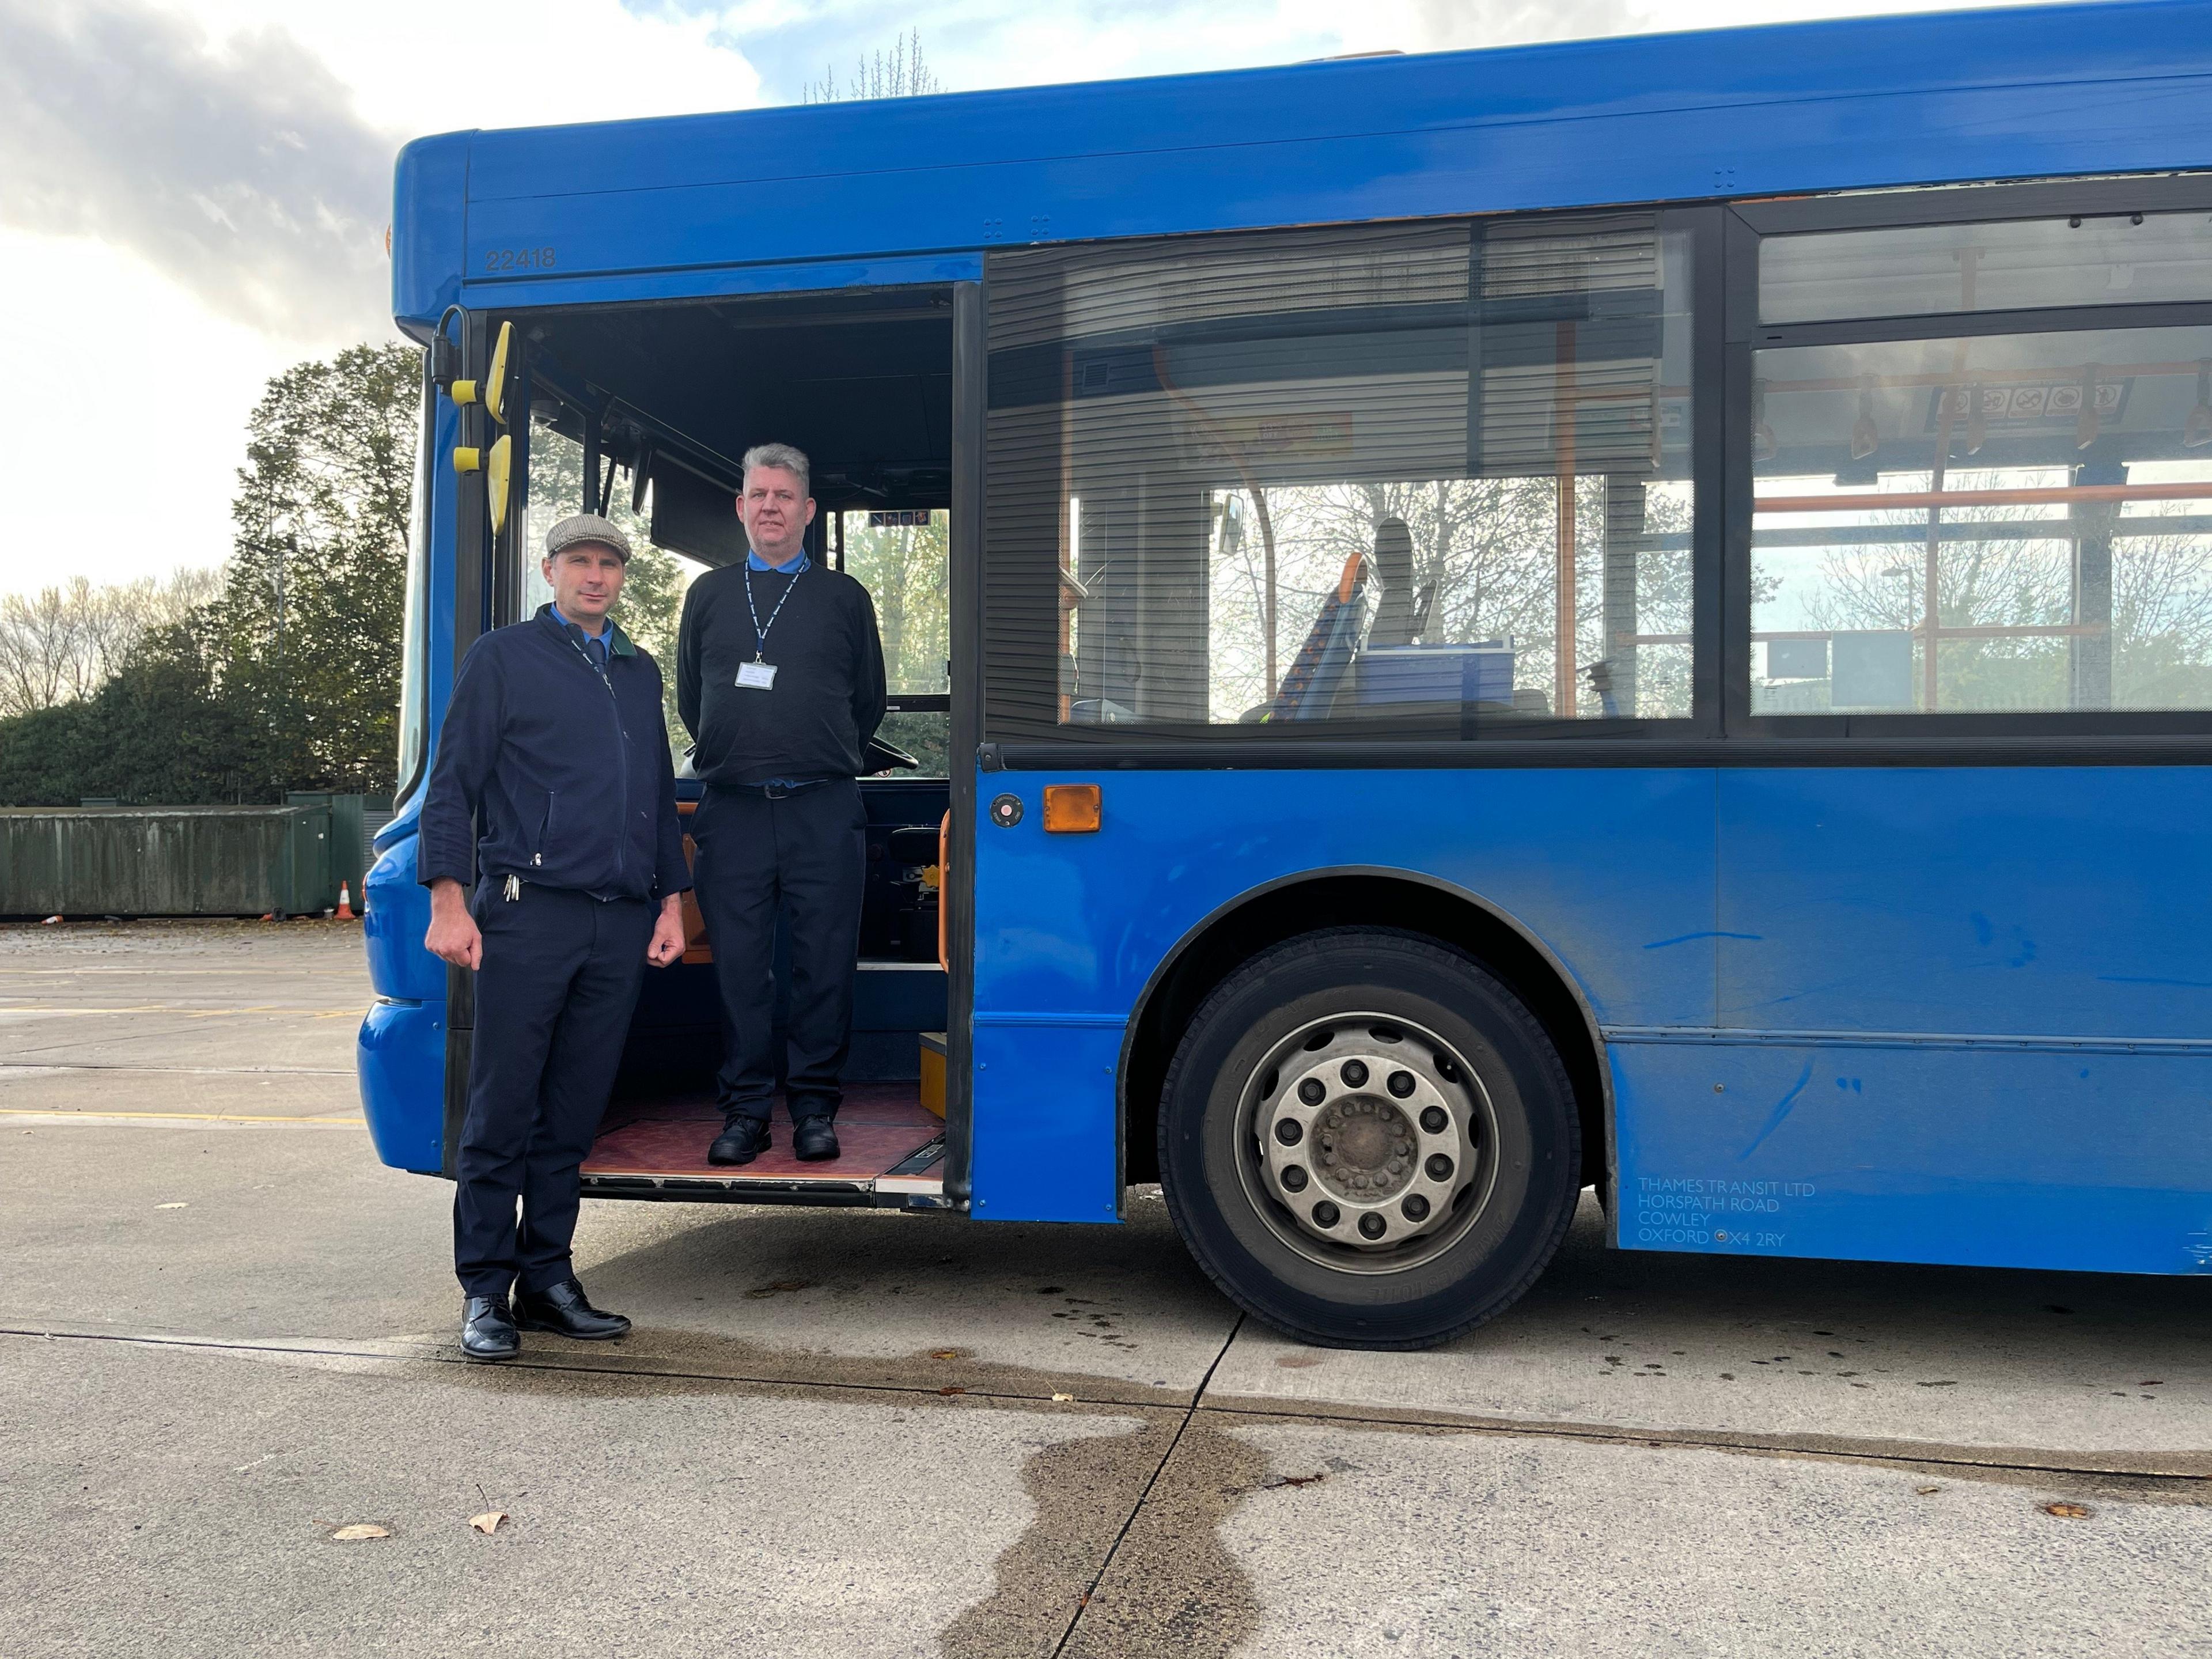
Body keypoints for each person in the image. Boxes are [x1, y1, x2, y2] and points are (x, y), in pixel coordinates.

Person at [418, 514, 691, 1362]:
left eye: (610, 564)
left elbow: (654, 793)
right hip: (527, 910)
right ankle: (482, 1294)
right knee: (504, 1107)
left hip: (618, 921)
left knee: (574, 1109)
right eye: (580, 562)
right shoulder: (502, 658)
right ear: (550, 570)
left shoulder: (638, 672)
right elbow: (453, 784)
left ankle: (548, 1280)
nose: (596, 576)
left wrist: (672, 905)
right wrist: (447, 901)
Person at [676, 442, 887, 1168]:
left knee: (824, 967)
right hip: (731, 810)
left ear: (808, 510)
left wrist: (810, 753)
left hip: (822, 808)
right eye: (758, 494)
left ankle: (815, 1110)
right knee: (739, 971)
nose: (771, 506)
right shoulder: (707, 595)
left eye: (785, 496)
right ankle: (744, 1114)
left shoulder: (845, 598)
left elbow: (868, 704)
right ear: (740, 507)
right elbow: (691, 700)